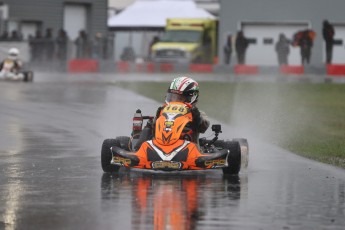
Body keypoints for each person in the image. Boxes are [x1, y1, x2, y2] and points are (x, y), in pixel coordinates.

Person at [153, 76, 210, 144]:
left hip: (188, 147)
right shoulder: (164, 111)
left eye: (179, 98)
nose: (175, 101)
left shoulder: (196, 113)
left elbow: (204, 126)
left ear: (191, 98)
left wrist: (196, 117)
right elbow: (153, 126)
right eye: (172, 97)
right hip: (161, 144)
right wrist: (157, 117)